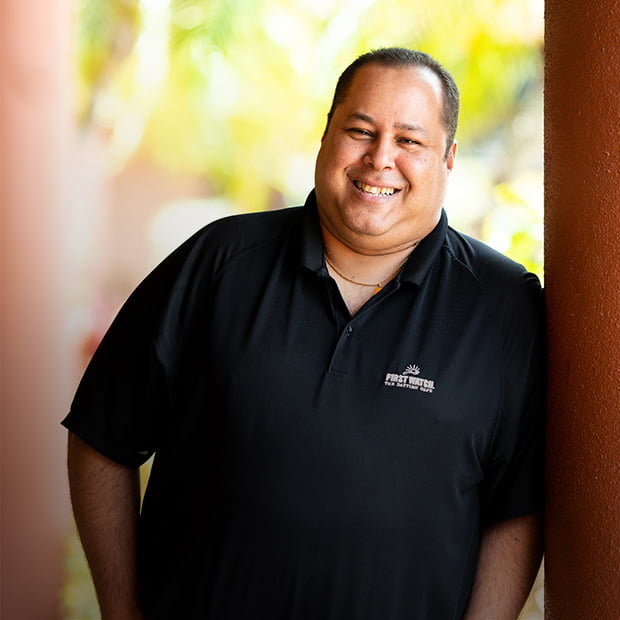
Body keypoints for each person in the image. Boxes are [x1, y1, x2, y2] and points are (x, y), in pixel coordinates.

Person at [64, 47, 545, 620]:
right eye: (360, 130)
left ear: (448, 158)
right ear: (326, 136)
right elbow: (101, 437)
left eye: (409, 141)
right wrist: (122, 611)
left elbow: (515, 509)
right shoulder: (219, 264)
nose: (380, 159)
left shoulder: (503, 304)